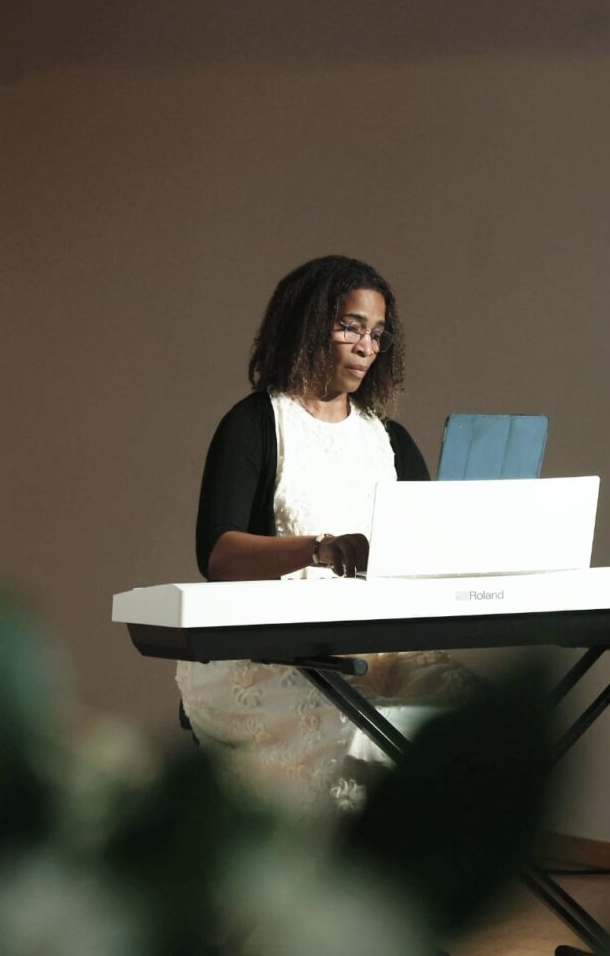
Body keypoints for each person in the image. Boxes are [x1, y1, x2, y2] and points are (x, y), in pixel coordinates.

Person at [179, 255, 472, 815]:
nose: (366, 347)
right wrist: (319, 549)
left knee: (471, 720)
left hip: (380, 650)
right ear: (309, 326)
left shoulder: (389, 439)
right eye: (350, 327)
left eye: (377, 334)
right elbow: (217, 554)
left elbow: (427, 547)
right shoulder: (256, 423)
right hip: (271, 655)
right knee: (364, 735)